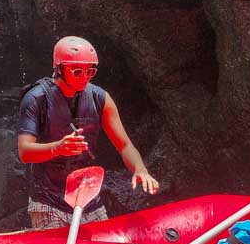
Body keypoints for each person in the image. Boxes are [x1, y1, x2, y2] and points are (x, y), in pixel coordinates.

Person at [17, 35, 160, 230]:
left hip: (88, 197)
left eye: (90, 71)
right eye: (77, 71)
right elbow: (25, 152)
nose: (85, 77)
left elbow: (124, 145)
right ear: (59, 69)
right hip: (48, 201)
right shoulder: (36, 99)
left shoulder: (100, 98)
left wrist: (140, 169)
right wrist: (58, 148)